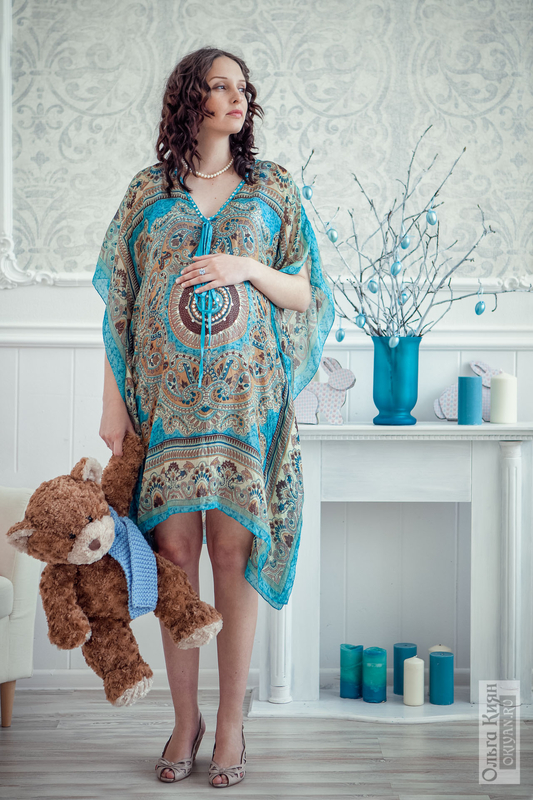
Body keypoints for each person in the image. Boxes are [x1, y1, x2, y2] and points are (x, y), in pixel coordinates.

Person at [93, 46, 333, 787]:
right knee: (173, 561)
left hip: (244, 407)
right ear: (188, 99)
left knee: (231, 556)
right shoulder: (146, 193)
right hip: (162, 409)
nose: (236, 97)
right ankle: (184, 718)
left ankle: (230, 722)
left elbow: (305, 293)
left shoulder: (272, 189)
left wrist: (246, 268)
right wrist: (113, 405)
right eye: (219, 86)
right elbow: (120, 306)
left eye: (243, 88)